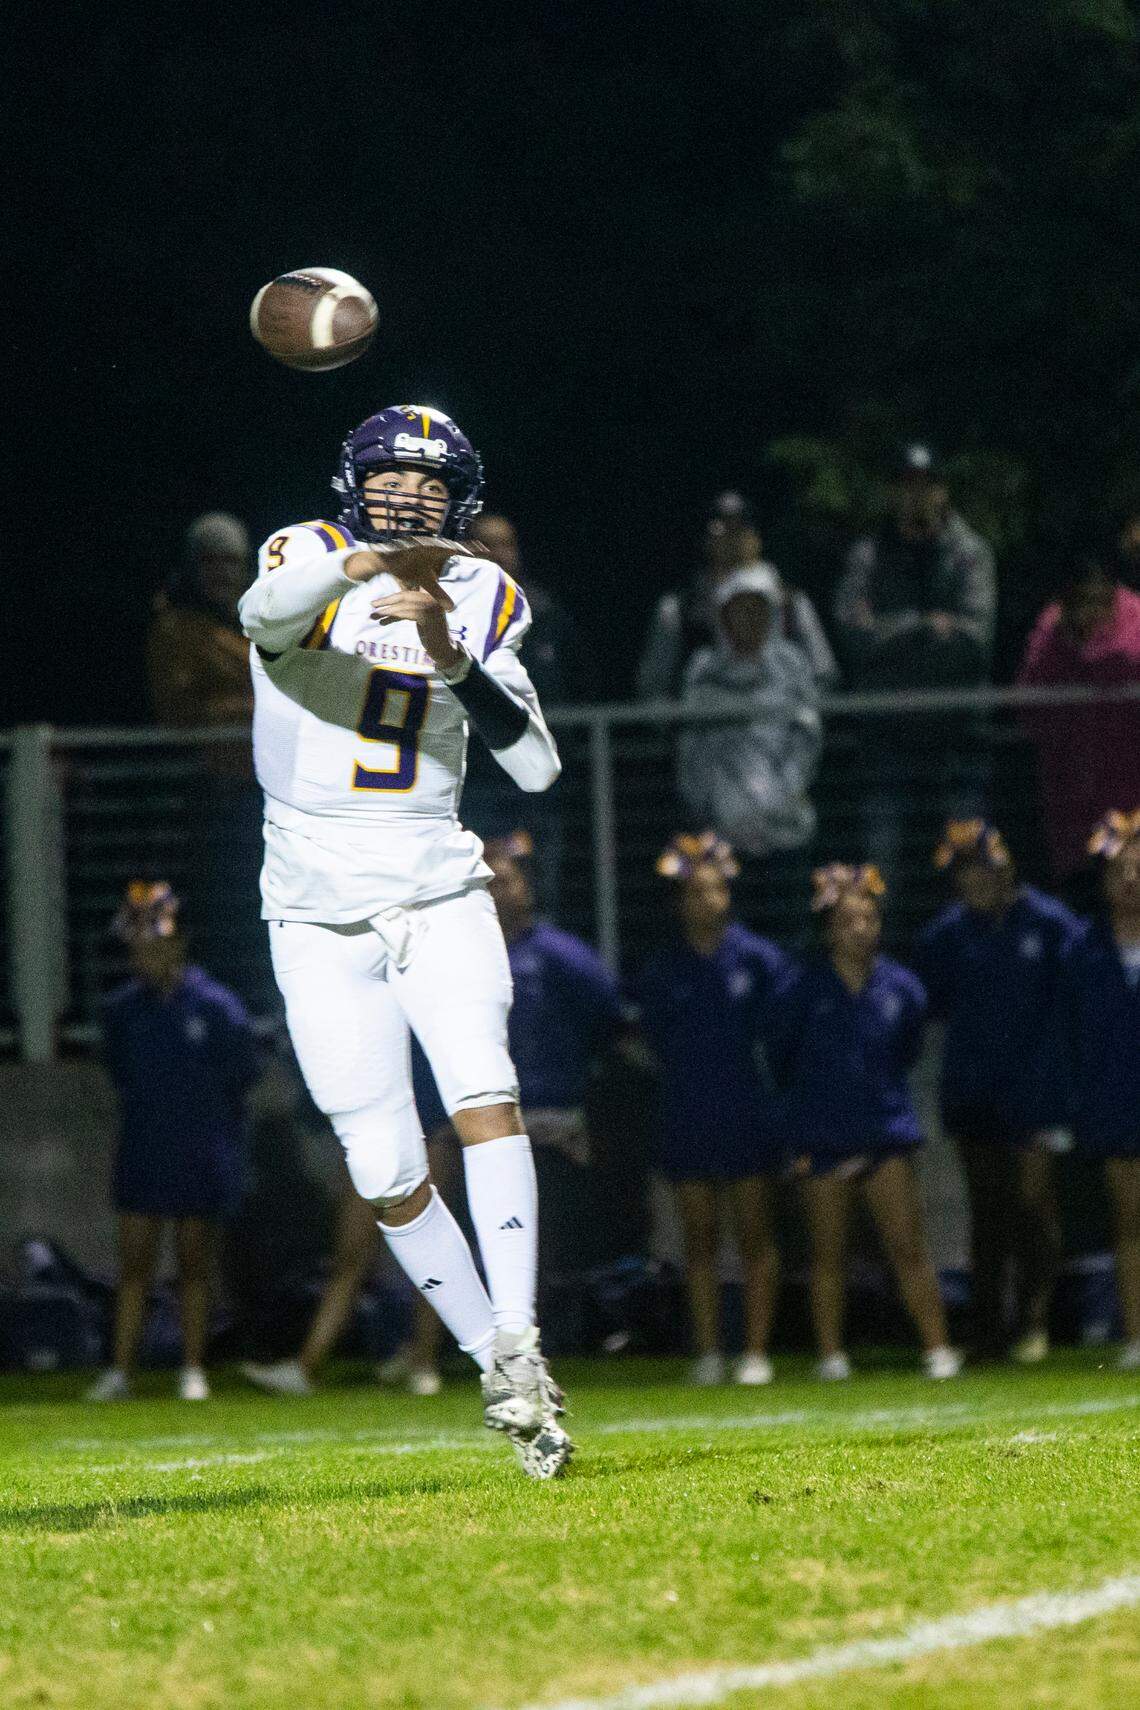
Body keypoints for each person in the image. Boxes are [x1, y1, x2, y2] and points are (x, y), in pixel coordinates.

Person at [236, 404, 570, 1478]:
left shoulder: (483, 591)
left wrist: (449, 654)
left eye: (431, 484)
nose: (410, 495)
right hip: (313, 903)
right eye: (392, 477)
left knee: (484, 1092)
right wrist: (367, 565)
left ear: (460, 499)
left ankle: (517, 1335)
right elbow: (264, 615)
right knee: (382, 1167)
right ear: (355, 482)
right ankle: (492, 1367)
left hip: (435, 884)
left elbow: (536, 766)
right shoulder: (306, 551)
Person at [386, 830, 625, 1390]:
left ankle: (527, 1347)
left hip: (545, 1119)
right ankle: (425, 1353)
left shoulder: (560, 955)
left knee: (526, 1241)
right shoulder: (452, 952)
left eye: (507, 881)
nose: (497, 892)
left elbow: (609, 1022)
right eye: (488, 883)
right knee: (436, 1214)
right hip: (461, 1118)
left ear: (528, 887)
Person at [766, 865, 960, 1381]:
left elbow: (908, 1049)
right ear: (829, 929)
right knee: (827, 1253)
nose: (861, 929)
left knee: (908, 1246)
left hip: (884, 1135)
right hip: (822, 1137)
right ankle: (830, 1355)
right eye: (849, 921)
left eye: (869, 919)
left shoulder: (903, 986)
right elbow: (781, 1057)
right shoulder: (800, 988)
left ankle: (938, 1348)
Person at [913, 821, 1081, 1361]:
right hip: (974, 1091)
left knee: (1034, 1205)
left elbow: (1080, 993)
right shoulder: (945, 936)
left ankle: (1034, 1319)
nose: (973, 882)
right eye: (962, 874)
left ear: (1004, 867)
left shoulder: (1051, 924)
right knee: (986, 1211)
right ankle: (986, 1330)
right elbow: (926, 1005)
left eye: (981, 869)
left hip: (1039, 1093)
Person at [87, 882, 258, 1402]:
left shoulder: (216, 1006)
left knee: (193, 1263)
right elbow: (119, 1073)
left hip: (201, 1150)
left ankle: (192, 1368)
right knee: (134, 1264)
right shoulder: (122, 1010)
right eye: (136, 947)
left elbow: (241, 1075)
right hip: (144, 1147)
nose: (143, 956)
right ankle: (121, 1371)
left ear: (178, 944)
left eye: (153, 945)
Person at [637, 833, 788, 1385]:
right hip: (687, 1113)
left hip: (747, 1111)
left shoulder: (760, 960)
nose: (708, 901)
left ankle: (756, 1352)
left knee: (755, 1236)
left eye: (717, 889)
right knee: (698, 1238)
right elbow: (650, 1041)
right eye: (696, 892)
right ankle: (707, 1352)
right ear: (679, 902)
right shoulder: (663, 968)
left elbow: (783, 1039)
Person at [833, 443, 996, 889]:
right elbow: (852, 639)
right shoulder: (867, 555)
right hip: (886, 738)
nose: (917, 496)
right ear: (892, 493)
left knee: (969, 866)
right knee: (881, 868)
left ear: (943, 492)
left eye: (927, 486)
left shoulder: (970, 552)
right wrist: (927, 626)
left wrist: (888, 633)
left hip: (959, 737)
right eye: (907, 486)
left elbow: (975, 642)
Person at [146, 512, 267, 1003]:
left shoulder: (261, 619)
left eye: (231, 561)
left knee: (263, 908)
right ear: (194, 567)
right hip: (213, 794)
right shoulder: (176, 627)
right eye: (210, 561)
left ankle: (263, 1010)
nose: (222, 572)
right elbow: (179, 713)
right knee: (218, 910)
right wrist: (261, 704)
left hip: (270, 786)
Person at [676, 565, 822, 933]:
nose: (749, 619)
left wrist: (779, 798)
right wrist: (712, 806)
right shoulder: (703, 668)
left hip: (786, 833)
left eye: (758, 609)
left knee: (790, 934)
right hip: (723, 837)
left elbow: (806, 739)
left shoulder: (792, 664)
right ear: (723, 616)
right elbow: (693, 747)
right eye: (739, 610)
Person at [462, 514, 586, 917]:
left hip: (533, 789)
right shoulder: (445, 611)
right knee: (472, 894)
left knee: (536, 895)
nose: (498, 554)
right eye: (486, 544)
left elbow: (578, 689)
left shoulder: (546, 614)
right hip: (472, 785)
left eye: (506, 544)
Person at [1057, 811, 1140, 1372]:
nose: (1129, 880)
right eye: (1118, 871)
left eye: (1137, 869)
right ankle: (1135, 1336)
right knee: (1129, 1222)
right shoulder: (1082, 949)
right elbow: (1068, 1034)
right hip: (1114, 1102)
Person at [1017, 525, 1140, 898]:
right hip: (1071, 791)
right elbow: (1030, 699)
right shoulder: (1052, 626)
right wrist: (1069, 644)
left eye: (1099, 600)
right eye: (1082, 601)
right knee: (1080, 894)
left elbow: (1128, 660)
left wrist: (1085, 654)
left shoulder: (1134, 615)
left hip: (1128, 784)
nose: (1092, 611)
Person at [637, 491, 837, 700]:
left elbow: (823, 676)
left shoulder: (791, 603)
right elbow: (654, 687)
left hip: (779, 714)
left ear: (756, 537)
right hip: (709, 715)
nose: (732, 539)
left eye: (740, 529)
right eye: (723, 530)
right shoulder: (679, 609)